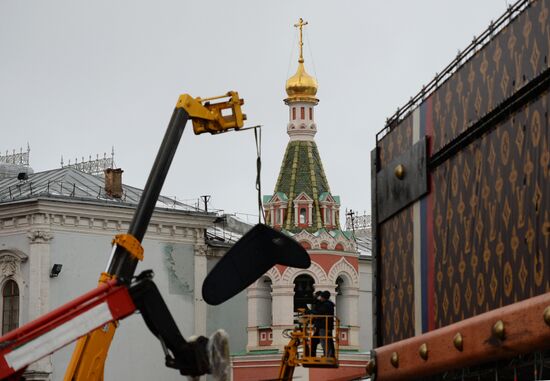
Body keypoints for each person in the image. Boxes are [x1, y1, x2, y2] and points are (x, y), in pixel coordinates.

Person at [316, 291, 335, 357]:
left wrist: (309, 312)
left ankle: (327, 354)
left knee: (324, 340)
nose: (320, 298)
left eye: (321, 297)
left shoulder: (326, 305)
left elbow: (319, 312)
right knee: (327, 340)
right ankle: (328, 354)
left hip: (324, 325)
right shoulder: (329, 304)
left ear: (324, 297)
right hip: (328, 325)